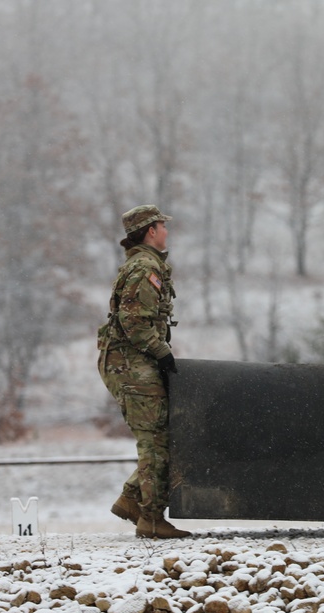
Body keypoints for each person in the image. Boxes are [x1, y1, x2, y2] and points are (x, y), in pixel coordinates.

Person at [98, 204, 189, 539]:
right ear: (151, 231)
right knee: (155, 439)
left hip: (132, 360)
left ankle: (132, 500)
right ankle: (150, 517)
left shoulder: (145, 265)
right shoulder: (144, 268)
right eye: (163, 226)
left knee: (161, 434)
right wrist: (163, 354)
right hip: (129, 362)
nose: (167, 232)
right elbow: (134, 323)